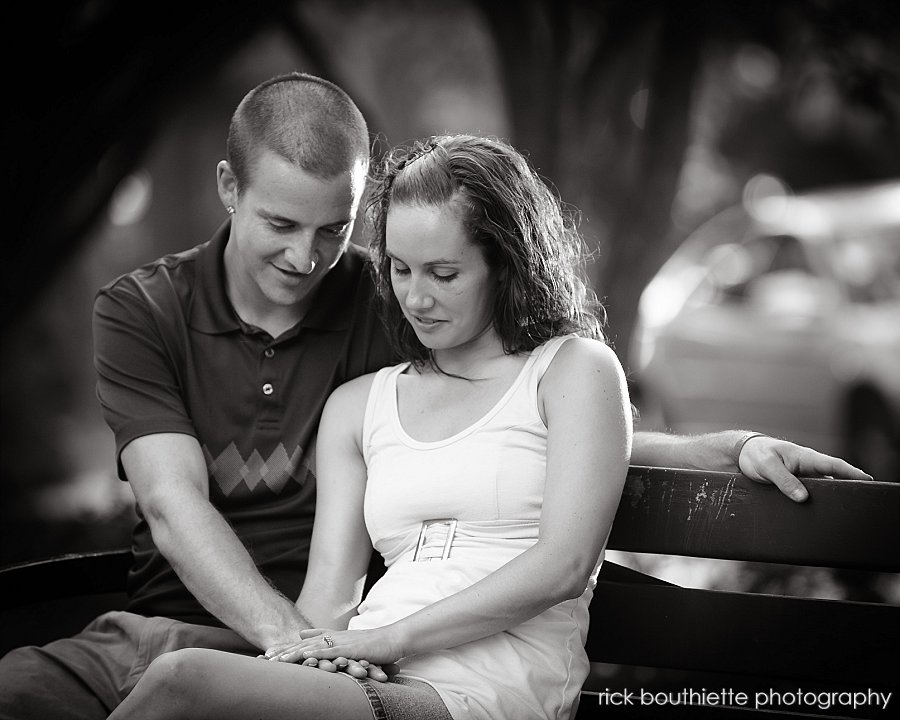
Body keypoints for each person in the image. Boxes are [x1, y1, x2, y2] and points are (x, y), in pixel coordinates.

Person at [0, 74, 870, 720]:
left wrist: (719, 448)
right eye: (402, 270)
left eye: (335, 232)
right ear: (230, 191)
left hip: (420, 672)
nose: (313, 261)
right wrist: (310, 650)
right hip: (299, 650)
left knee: (181, 689)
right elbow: (224, 533)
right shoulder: (210, 335)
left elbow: (535, 470)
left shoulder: (496, 343)